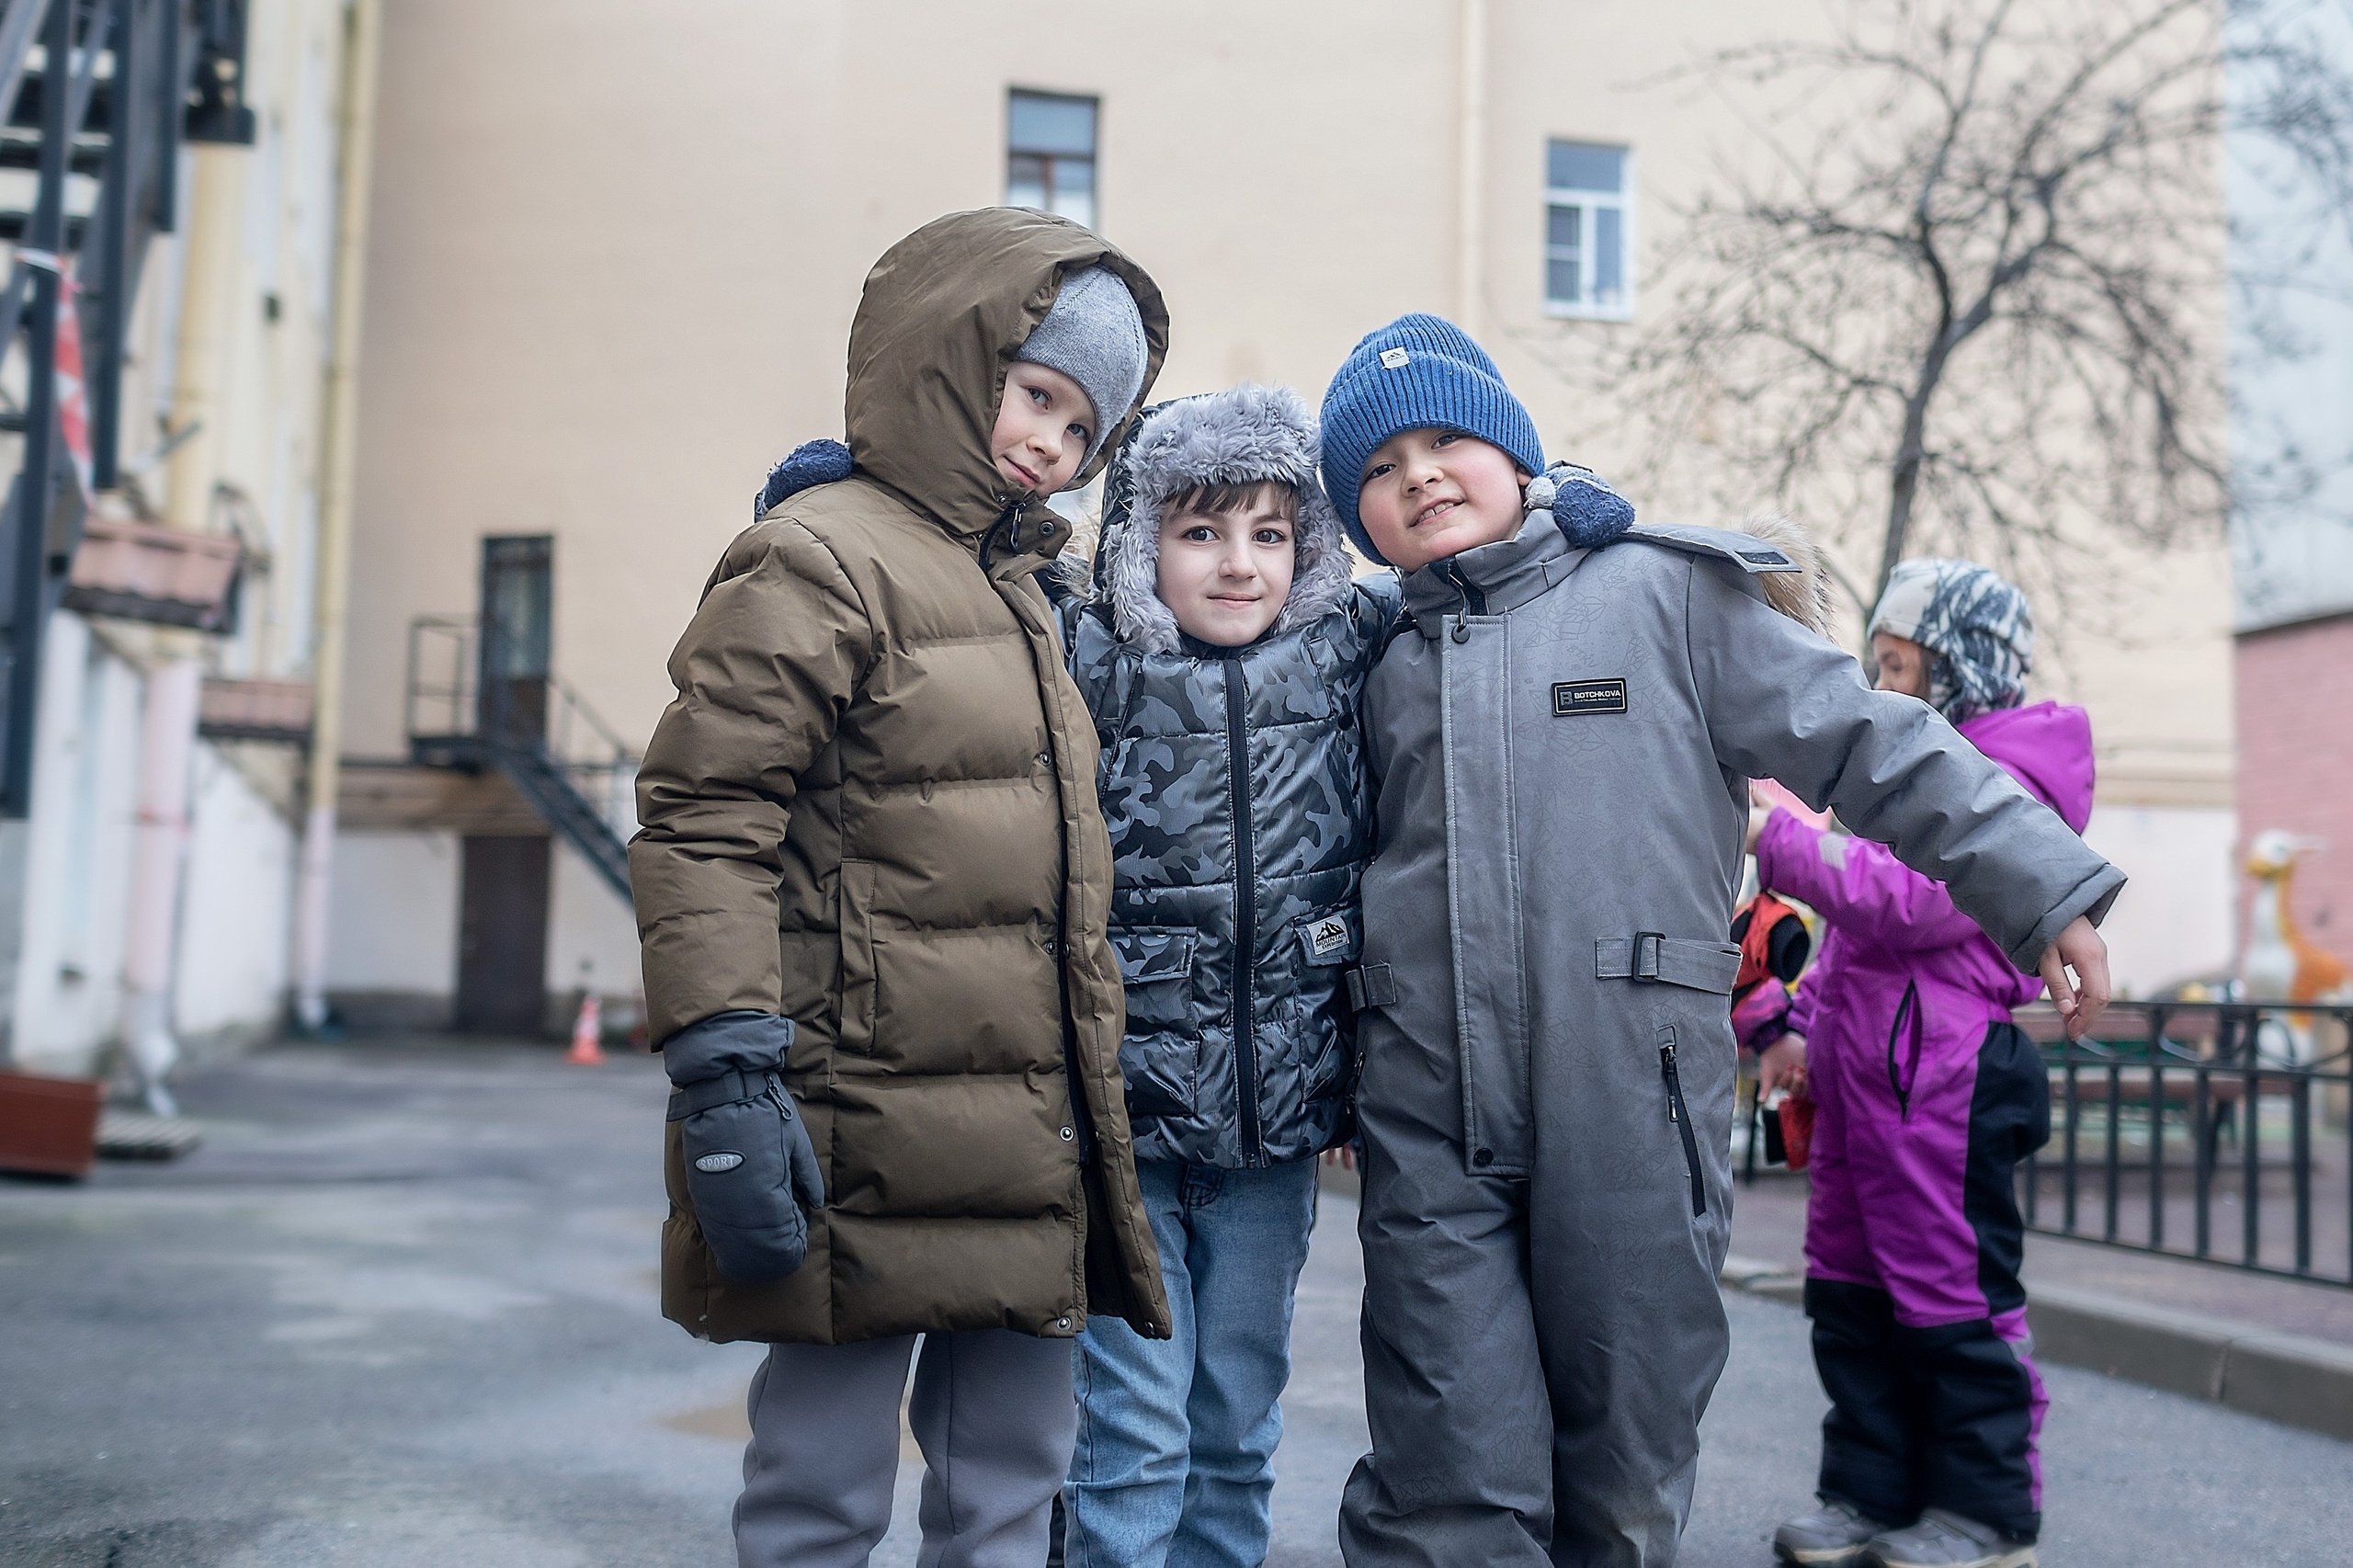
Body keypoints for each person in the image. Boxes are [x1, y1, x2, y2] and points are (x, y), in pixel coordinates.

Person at [1313, 314, 2123, 1568]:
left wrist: (2043, 885)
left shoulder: (1662, 593)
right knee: (1445, 1474)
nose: (1416, 473)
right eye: (1376, 466)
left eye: (1445, 438)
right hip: (1430, 1126)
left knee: (1622, 1476)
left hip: (1632, 1114)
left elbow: (1871, 741)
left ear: (1517, 450)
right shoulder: (1368, 655)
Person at [628, 208, 1174, 1568]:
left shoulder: (1032, 592)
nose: (1051, 442)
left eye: (1082, 428)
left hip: (1024, 1135)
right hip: (845, 1126)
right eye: (1035, 393)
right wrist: (725, 1069)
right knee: (820, 1479)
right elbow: (706, 815)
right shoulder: (819, 555)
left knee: (1012, 1482)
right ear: (951, 356)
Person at [1051, 384, 1399, 1568]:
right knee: (1134, 1432)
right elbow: (967, 583)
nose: (1237, 564)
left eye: (1267, 531)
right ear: (1139, 540)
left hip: (1277, 1131)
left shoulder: (1351, 646)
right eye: (1199, 531)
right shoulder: (1083, 656)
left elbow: (1480, 561)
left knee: (1236, 1424)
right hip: (1122, 1130)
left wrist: (1564, 505)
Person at [1756, 561, 2075, 1568]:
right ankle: (1868, 1488)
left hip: (1944, 1074)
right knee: (1848, 1287)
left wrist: (1779, 840)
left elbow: (1911, 900)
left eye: (1897, 666)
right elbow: (1857, 944)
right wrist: (1799, 1020)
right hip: (1867, 1065)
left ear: (1960, 671)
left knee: (1953, 1293)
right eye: (1876, 664)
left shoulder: (2006, 778)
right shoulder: (1914, 763)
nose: (1880, 687)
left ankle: (1984, 1512)